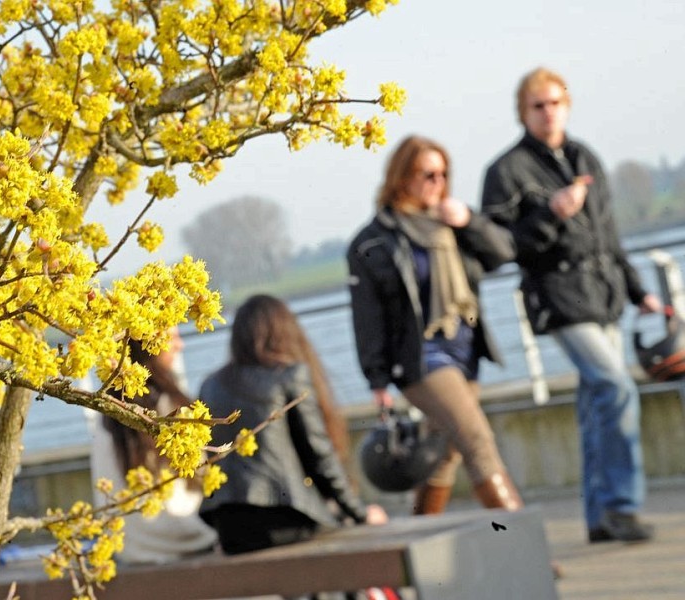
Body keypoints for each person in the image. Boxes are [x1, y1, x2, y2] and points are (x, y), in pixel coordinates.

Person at [480, 67, 662, 543]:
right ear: (523, 111)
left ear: (568, 104)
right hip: (558, 297)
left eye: (555, 102)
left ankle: (599, 518)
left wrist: (639, 291)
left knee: (594, 405)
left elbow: (608, 234)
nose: (548, 112)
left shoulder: (586, 157)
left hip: (604, 293)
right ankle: (623, 507)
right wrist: (549, 215)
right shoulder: (506, 172)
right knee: (616, 387)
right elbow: (498, 248)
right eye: (537, 105)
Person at [346, 135, 523, 516]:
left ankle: (421, 534)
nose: (437, 184)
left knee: (446, 451)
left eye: (443, 175)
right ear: (402, 177)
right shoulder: (373, 242)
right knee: (476, 438)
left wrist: (471, 222)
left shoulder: (451, 224)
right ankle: (523, 541)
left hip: (465, 351)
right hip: (422, 359)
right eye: (427, 174)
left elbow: (503, 253)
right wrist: (376, 378)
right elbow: (368, 317)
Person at [198, 294, 387, 557]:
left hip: (229, 528)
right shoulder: (290, 375)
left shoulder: (210, 385)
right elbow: (319, 455)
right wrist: (360, 513)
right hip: (285, 518)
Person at [90, 329, 218, 564]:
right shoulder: (169, 405)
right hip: (185, 538)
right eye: (172, 337)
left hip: (129, 545)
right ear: (146, 344)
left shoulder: (104, 413)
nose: (180, 346)